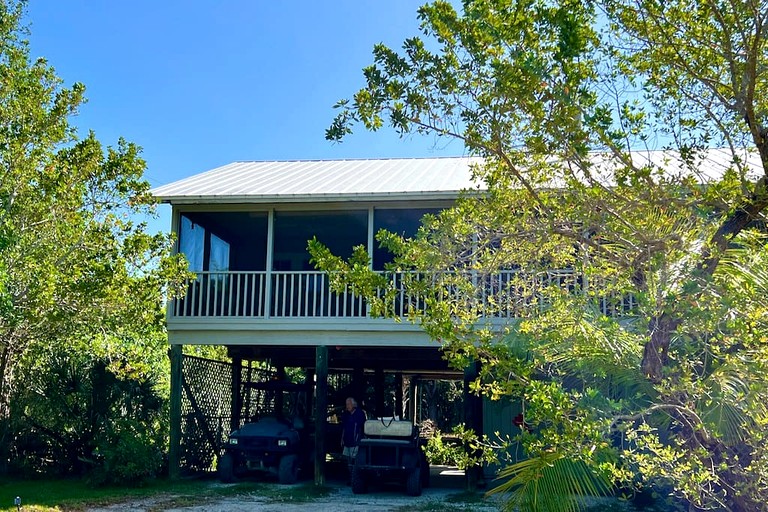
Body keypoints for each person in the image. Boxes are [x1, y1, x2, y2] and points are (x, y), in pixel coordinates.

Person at [340, 397, 366, 479]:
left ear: (354, 404)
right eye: (346, 404)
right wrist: (342, 439)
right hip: (347, 440)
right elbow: (344, 427)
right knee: (348, 460)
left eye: (349, 404)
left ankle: (356, 478)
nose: (347, 406)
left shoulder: (360, 414)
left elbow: (362, 427)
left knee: (355, 460)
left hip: (355, 441)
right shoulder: (346, 414)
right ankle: (350, 477)